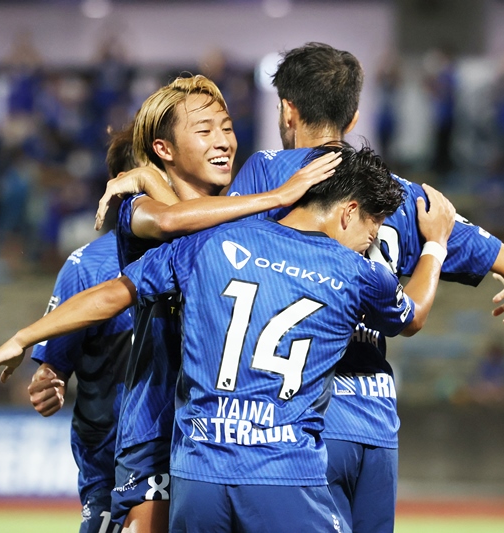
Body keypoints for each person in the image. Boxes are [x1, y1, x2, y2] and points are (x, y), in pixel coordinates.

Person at [97, 42, 504, 533]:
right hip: (377, 424)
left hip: (303, 424)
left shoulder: (267, 173)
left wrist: (150, 183)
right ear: (353, 117)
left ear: (287, 110)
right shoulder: (404, 196)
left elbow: (201, 240)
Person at [0, 141, 457, 532]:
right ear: (348, 212)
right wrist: (435, 244)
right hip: (284, 474)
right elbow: (412, 313)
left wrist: (23, 337)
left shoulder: (213, 241)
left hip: (197, 477)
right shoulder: (356, 272)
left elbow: (115, 293)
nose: (368, 245)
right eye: (371, 231)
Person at [110, 75, 341, 533]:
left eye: (227, 128)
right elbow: (174, 222)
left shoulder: (251, 217)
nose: (223, 142)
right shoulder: (138, 208)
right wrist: (278, 195)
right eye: (205, 131)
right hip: (157, 427)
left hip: (236, 440)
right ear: (163, 149)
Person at [26, 127, 136, 533]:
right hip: (110, 467)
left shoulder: (205, 250)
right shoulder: (87, 266)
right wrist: (47, 380)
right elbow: (53, 368)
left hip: (189, 461)